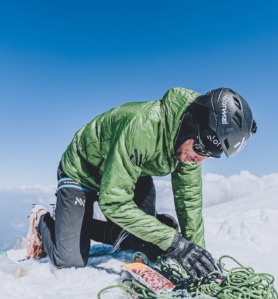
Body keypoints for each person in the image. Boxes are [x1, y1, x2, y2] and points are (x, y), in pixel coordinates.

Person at [28, 87, 257, 278]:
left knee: (145, 243)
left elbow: (189, 202)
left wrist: (197, 256)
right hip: (82, 173)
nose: (200, 159)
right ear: (191, 124)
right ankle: (43, 220)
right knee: (70, 260)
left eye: (210, 154)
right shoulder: (143, 126)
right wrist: (176, 243)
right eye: (200, 148)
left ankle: (70, 221)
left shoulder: (191, 147)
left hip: (129, 174)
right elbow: (114, 202)